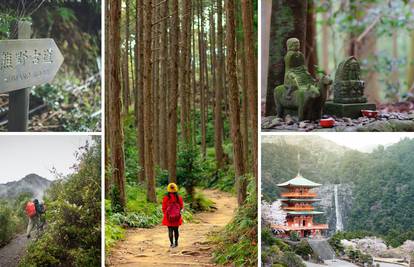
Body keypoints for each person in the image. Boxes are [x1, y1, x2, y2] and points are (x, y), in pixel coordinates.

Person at [162, 183, 184, 248]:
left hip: (168, 217)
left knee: (170, 230)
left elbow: (163, 207)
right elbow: (181, 206)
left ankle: (171, 244)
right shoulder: (179, 198)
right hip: (177, 217)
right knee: (176, 230)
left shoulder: (166, 198)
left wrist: (166, 214)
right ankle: (176, 242)